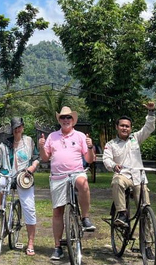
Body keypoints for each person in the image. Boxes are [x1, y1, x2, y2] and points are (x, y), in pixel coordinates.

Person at [38, 106, 96, 261]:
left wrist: (90, 147)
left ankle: (85, 218)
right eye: (63, 118)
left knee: (83, 183)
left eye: (68, 117)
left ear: (73, 120)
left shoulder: (81, 136)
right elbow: (45, 158)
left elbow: (89, 160)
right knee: (58, 212)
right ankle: (57, 247)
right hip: (58, 176)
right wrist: (41, 147)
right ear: (59, 120)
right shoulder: (52, 137)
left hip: (76, 172)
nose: (65, 120)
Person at [102, 102, 156, 258]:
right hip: (123, 175)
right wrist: (114, 165)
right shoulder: (111, 144)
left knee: (145, 210)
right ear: (117, 127)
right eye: (122, 126)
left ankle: (146, 245)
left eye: (127, 126)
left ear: (131, 128)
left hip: (139, 178)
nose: (124, 128)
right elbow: (106, 160)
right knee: (117, 181)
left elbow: (149, 128)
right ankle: (122, 214)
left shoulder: (135, 139)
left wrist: (151, 112)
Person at [0, 117, 40, 256]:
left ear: (23, 127)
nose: (17, 130)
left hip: (24, 177)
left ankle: (30, 243)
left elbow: (36, 158)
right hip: (7, 175)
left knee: (29, 208)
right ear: (12, 129)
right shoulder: (5, 143)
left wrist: (32, 168)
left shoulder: (29, 141)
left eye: (20, 127)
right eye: (15, 127)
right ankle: (1, 207)